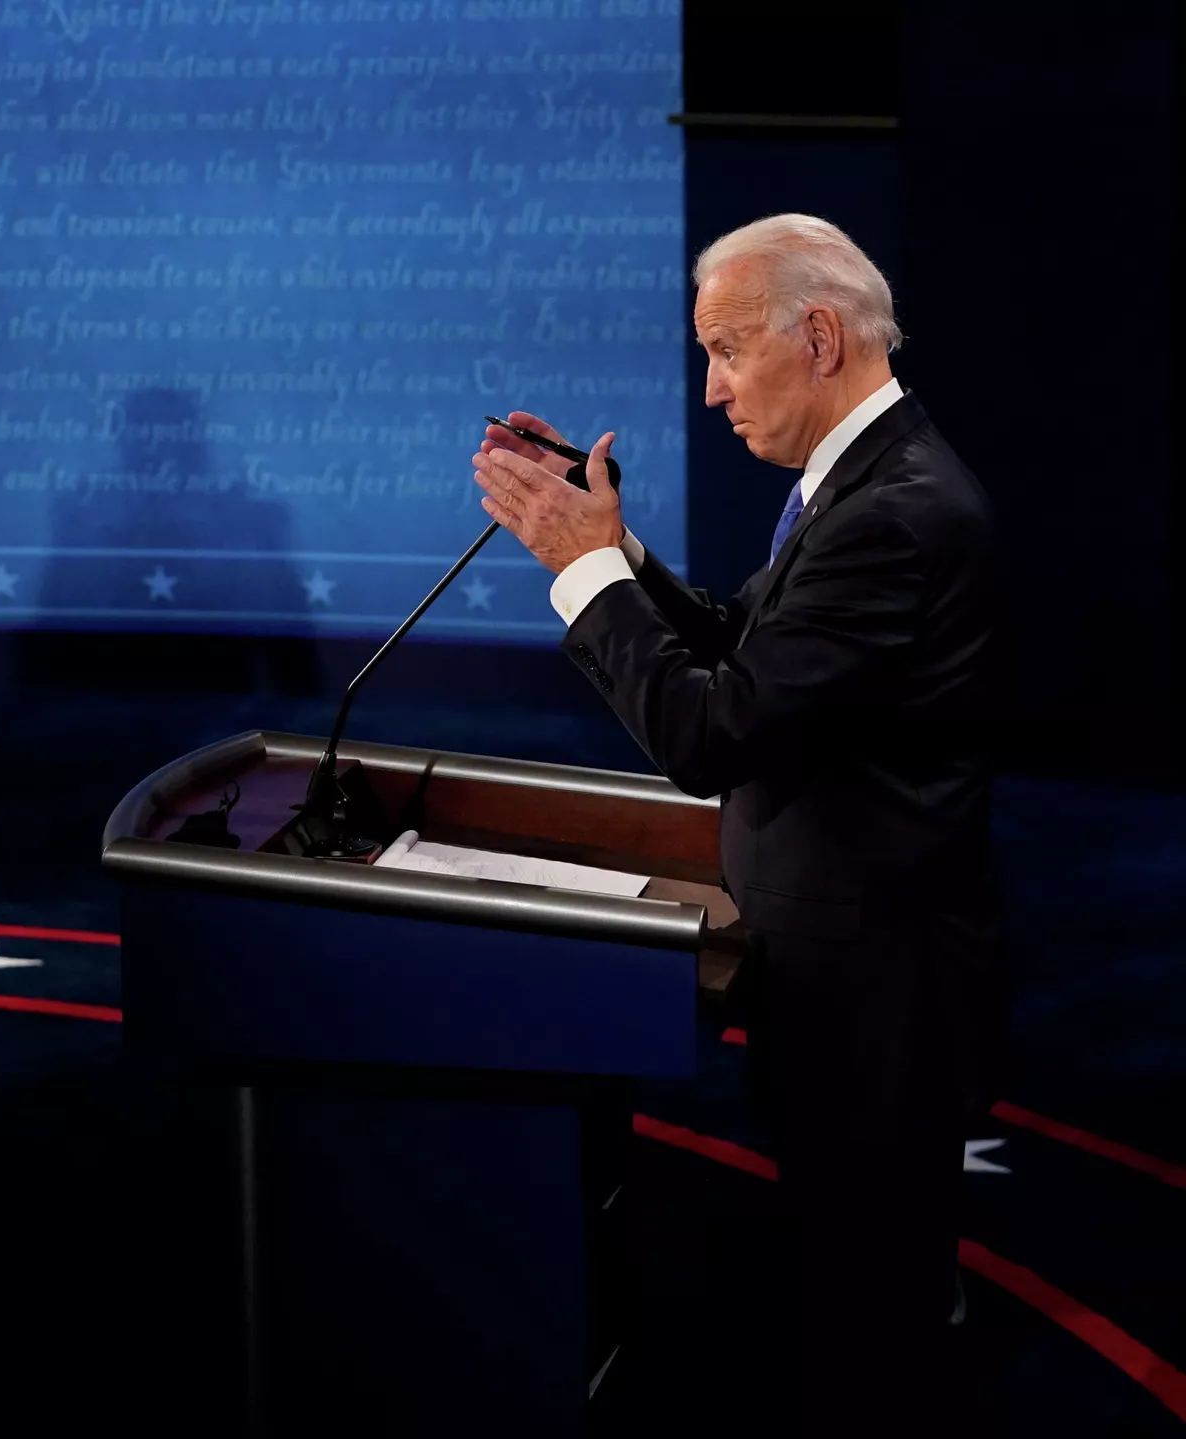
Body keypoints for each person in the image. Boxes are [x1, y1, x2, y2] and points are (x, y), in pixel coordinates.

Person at [473, 214, 1006, 1429]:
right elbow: (749, 651)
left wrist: (583, 572)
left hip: (879, 1001)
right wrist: (612, 546)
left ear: (817, 336)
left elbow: (713, 733)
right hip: (850, 979)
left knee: (875, 1330)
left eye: (725, 349)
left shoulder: (895, 512)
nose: (711, 390)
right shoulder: (868, 481)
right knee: (859, 1286)